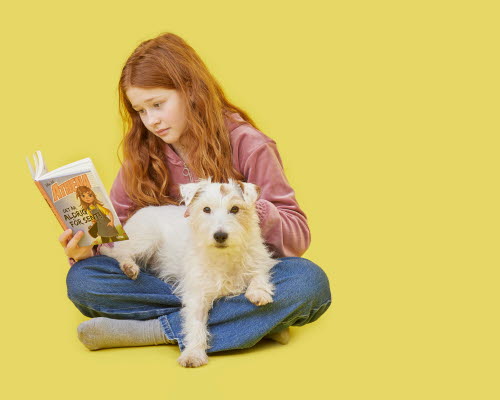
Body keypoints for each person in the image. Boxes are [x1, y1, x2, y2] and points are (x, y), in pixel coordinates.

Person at [59, 32, 332, 355]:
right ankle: (251, 323)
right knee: (84, 281)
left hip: (239, 272)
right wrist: (86, 251)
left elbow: (298, 237)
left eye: (158, 104)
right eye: (141, 111)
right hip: (177, 275)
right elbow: (117, 230)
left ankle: (151, 330)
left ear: (190, 90)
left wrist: (245, 208)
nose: (152, 121)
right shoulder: (142, 152)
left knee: (308, 283)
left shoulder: (249, 144)